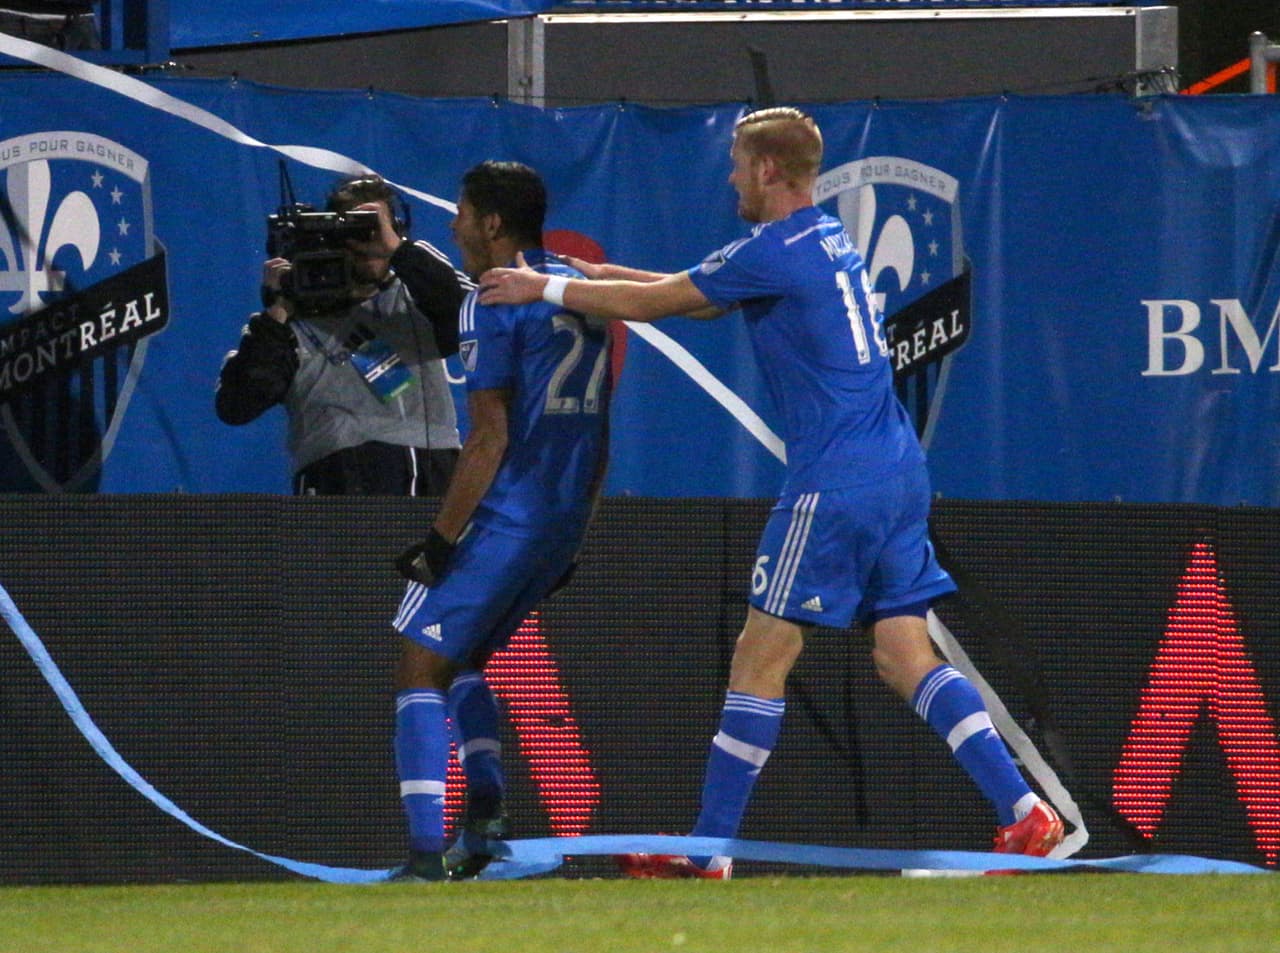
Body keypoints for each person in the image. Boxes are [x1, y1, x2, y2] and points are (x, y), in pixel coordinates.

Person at [479, 107, 1064, 879]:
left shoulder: (772, 249)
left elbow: (670, 304)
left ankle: (710, 849)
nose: (728, 177)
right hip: (895, 470)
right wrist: (605, 275)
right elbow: (702, 293)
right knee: (904, 653)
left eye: (735, 163)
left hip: (836, 482)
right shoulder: (820, 239)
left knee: (760, 655)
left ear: (765, 170)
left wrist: (542, 287)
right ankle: (1026, 812)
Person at [386, 160, 611, 881]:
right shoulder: (582, 288)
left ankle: (424, 858)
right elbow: (602, 428)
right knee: (468, 661)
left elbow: (488, 437)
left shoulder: (492, 298)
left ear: (490, 222)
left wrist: (440, 541)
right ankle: (483, 822)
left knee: (419, 666)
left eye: (460, 211)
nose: (453, 225)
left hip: (510, 510)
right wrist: (579, 524)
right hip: (563, 515)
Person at [215, 173, 467, 495]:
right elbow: (236, 405)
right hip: (339, 483)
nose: (370, 242)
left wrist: (398, 250)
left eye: (377, 227)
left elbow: (469, 320)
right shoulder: (290, 323)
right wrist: (278, 309)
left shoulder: (416, 292)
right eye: (356, 230)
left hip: (436, 474)